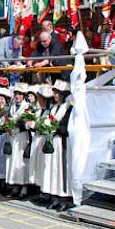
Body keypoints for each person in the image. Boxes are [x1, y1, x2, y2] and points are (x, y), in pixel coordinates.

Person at [40, 80, 74, 211]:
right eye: (54, 93)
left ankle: (63, 198)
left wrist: (55, 127)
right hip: (52, 142)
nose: (55, 95)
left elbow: (67, 127)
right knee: (51, 169)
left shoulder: (69, 108)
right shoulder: (53, 108)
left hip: (62, 143)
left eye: (57, 93)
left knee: (61, 170)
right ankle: (54, 196)